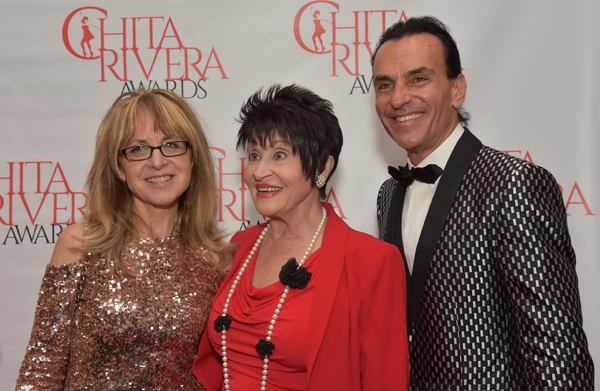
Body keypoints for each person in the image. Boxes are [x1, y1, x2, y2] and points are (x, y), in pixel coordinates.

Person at [372, 16, 594, 389]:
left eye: (419, 79)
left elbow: (556, 348)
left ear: (457, 89)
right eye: (385, 84)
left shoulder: (513, 182)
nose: (398, 98)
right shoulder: (389, 193)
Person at [16, 87, 234, 390]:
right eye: (138, 149)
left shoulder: (217, 259)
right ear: (119, 167)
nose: (157, 162)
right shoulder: (80, 246)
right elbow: (42, 368)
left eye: (171, 145)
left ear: (193, 158)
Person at [193, 84, 409, 390]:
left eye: (279, 154)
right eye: (254, 155)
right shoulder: (241, 245)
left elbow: (385, 381)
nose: (259, 171)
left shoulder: (371, 261)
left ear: (322, 166)